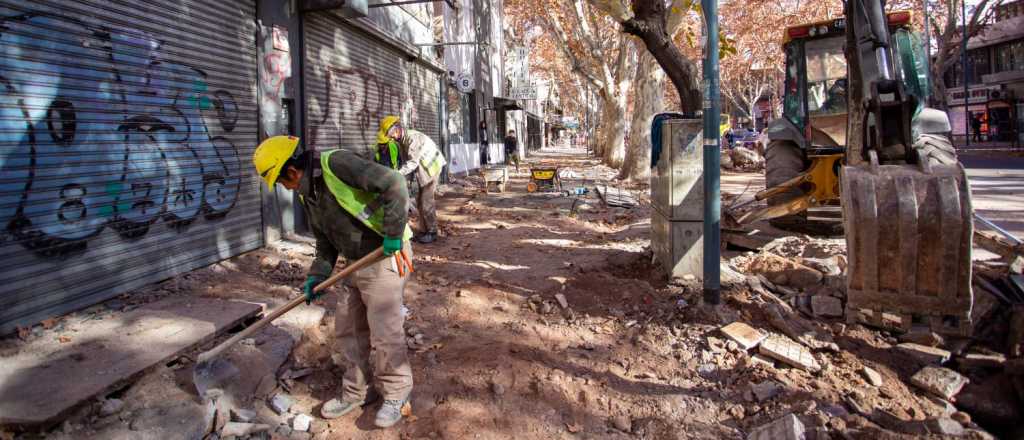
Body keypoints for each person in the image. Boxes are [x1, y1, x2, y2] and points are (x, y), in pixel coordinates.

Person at [252, 135, 415, 429]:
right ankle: (357, 391)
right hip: (355, 262)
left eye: (281, 182)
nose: (284, 188)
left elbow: (395, 183)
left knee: (384, 330)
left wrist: (393, 232)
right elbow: (325, 240)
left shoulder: (336, 164)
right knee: (349, 329)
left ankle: (396, 394)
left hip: (384, 254)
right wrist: (318, 273)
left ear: (292, 171)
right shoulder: (308, 193)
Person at [375, 116, 447, 244]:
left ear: (396, 129)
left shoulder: (413, 139)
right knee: (420, 200)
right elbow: (405, 161)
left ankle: (432, 232)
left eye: (390, 135)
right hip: (424, 167)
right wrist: (404, 179)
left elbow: (413, 163)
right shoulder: (402, 140)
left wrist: (397, 174)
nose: (390, 138)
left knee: (426, 200)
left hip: (431, 167)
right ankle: (424, 230)